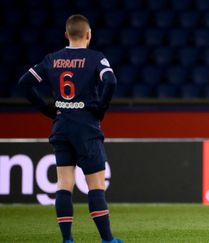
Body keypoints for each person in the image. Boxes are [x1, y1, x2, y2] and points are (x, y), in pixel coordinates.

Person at [18, 14, 123, 243]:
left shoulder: (52, 59)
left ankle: (67, 240)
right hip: (86, 127)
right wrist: (101, 108)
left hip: (61, 126)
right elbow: (111, 81)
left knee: (64, 184)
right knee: (95, 185)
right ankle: (107, 239)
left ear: (66, 35)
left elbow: (24, 83)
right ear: (89, 35)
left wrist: (47, 109)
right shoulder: (96, 58)